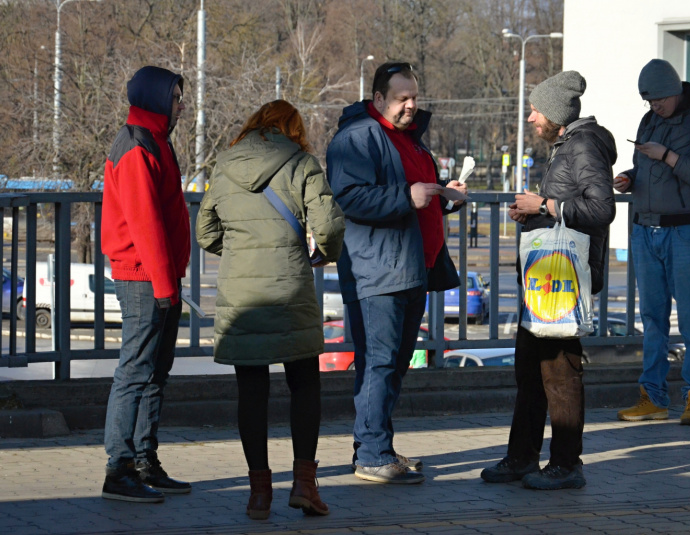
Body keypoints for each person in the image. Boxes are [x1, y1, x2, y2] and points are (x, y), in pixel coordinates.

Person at [196, 100, 345, 519]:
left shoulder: (224, 165)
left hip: (243, 294)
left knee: (252, 392)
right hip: (289, 289)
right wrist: (324, 255)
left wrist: (241, 250)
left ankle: (259, 494)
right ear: (291, 129)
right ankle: (303, 485)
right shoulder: (301, 163)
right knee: (304, 384)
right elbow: (330, 225)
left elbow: (205, 230)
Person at [326, 62, 467, 484]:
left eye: (414, 98)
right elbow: (350, 198)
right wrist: (408, 195)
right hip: (378, 271)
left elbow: (419, 197)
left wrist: (445, 197)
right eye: (402, 98)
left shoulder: (409, 141)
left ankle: (375, 446)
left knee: (394, 363)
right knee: (380, 363)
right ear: (379, 100)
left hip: (410, 268)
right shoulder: (357, 137)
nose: (411, 106)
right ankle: (372, 453)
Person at [480, 71, 616, 490]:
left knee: (559, 374)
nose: (530, 118)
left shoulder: (584, 146)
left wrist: (547, 204)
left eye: (536, 110)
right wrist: (536, 212)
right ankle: (522, 458)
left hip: (562, 283)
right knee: (529, 372)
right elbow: (567, 207)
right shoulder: (568, 145)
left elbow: (601, 209)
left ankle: (566, 464)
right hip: (546, 281)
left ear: (557, 112)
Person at [615, 59, 690, 426]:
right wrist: (631, 178)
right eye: (648, 101)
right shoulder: (650, 120)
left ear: (675, 90)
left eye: (660, 99)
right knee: (652, 318)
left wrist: (667, 155)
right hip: (646, 229)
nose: (654, 107)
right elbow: (649, 169)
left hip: (687, 231)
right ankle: (653, 396)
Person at [100, 66, 191, 503]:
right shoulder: (136, 146)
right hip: (143, 278)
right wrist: (162, 285)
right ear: (156, 99)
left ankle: (143, 461)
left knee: (155, 372)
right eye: (175, 97)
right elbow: (146, 224)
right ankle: (118, 469)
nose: (181, 105)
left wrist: (171, 277)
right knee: (135, 373)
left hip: (159, 275)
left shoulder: (156, 140)